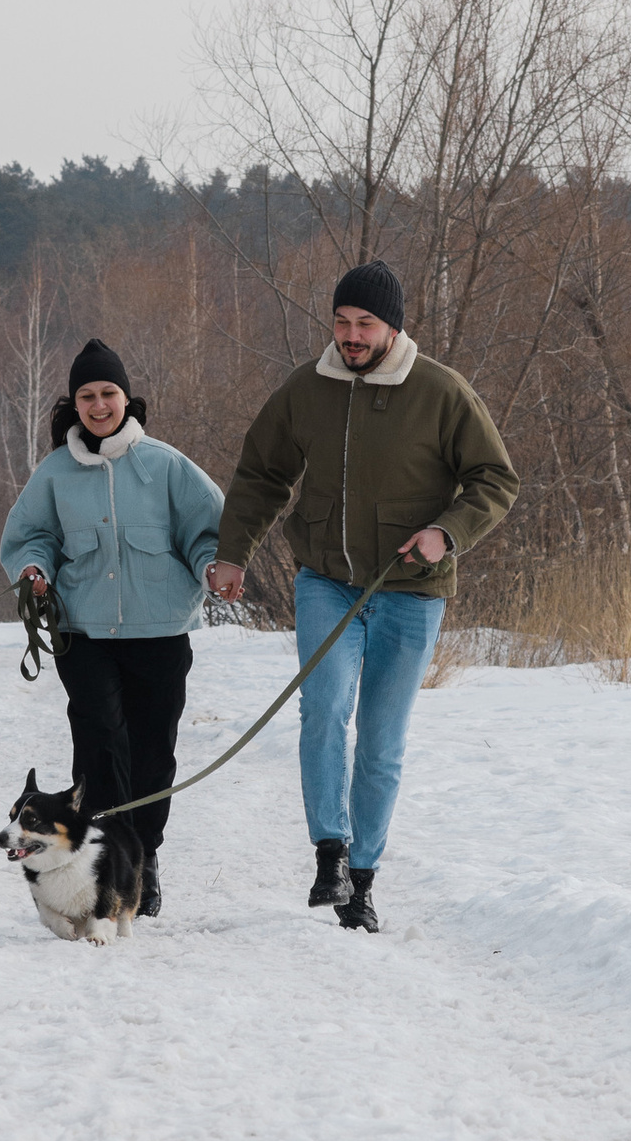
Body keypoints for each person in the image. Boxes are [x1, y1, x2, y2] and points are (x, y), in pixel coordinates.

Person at [206, 261, 516, 931]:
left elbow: (495, 478)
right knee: (323, 711)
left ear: (392, 327)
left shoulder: (441, 392)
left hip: (411, 592)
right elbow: (262, 472)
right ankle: (330, 851)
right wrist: (234, 552)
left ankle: (364, 880)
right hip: (326, 581)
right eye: (342, 322)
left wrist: (447, 531)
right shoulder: (307, 390)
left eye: (364, 324)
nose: (350, 335)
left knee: (381, 741)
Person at [0, 338, 224, 922]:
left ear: (127, 399)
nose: (98, 404)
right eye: (87, 396)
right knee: (100, 747)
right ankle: (100, 861)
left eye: (108, 393)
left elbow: (209, 532)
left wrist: (208, 566)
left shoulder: (168, 465)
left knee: (153, 754)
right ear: (73, 406)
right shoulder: (54, 473)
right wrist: (34, 568)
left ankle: (142, 863)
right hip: (84, 633)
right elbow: (31, 536)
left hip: (160, 632)